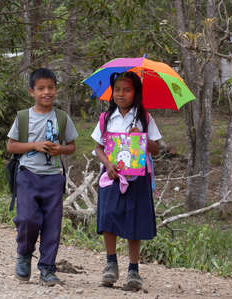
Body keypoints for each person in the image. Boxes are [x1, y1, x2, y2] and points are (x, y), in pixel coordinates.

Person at [7, 68, 78, 286]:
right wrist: (35, 146)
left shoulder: (62, 118)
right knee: (27, 219)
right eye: (41, 88)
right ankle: (24, 255)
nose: (46, 92)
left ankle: (47, 268)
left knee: (52, 225)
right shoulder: (23, 117)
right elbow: (11, 145)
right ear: (32, 92)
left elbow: (72, 146)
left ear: (56, 89)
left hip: (53, 179)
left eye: (50, 88)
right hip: (28, 176)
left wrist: (60, 150)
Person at [90, 71, 161, 290]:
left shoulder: (145, 118)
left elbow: (156, 149)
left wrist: (141, 137)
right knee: (109, 216)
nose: (121, 94)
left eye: (127, 90)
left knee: (134, 219)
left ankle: (133, 270)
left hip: (137, 178)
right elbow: (98, 148)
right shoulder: (106, 119)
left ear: (136, 93)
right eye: (117, 89)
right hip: (111, 176)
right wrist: (107, 165)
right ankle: (111, 264)